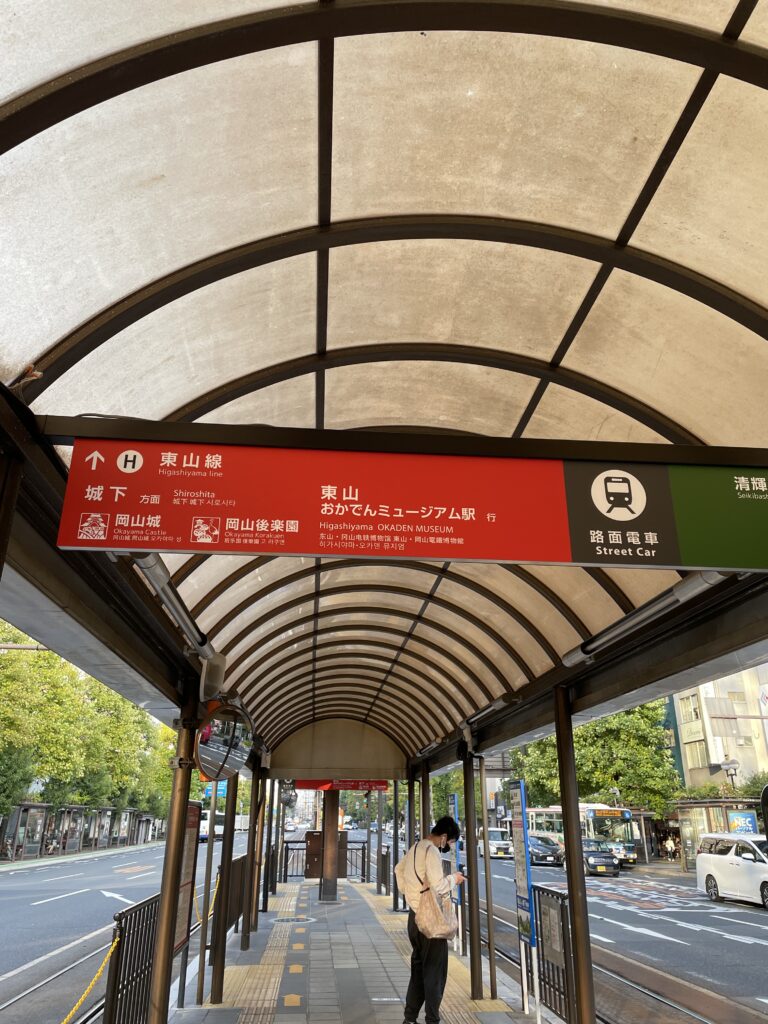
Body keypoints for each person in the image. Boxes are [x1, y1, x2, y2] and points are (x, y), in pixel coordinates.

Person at [395, 816, 464, 1024]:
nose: (448, 846)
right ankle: (432, 1020)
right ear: (443, 836)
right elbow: (439, 885)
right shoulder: (431, 851)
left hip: (414, 918)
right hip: (430, 921)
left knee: (418, 970)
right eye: (450, 842)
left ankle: (409, 1019)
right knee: (435, 973)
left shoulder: (416, 846)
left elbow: (398, 870)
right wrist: (455, 879)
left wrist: (411, 895)